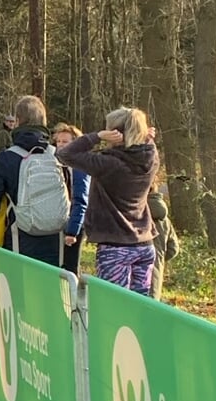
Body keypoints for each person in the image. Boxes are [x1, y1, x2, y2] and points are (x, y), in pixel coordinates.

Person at [56, 107, 159, 295]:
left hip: (115, 248)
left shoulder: (107, 164)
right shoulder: (151, 157)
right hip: (145, 244)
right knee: (139, 310)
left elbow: (65, 154)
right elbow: (146, 144)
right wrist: (146, 137)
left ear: (115, 134)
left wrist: (97, 136)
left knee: (115, 308)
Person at [0, 95, 62, 265]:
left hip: (19, 241)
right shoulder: (58, 156)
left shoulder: (6, 158)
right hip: (57, 242)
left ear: (17, 121)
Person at [52, 123, 91, 275]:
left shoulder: (79, 165)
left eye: (65, 141)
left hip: (74, 223)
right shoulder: (56, 162)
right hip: (57, 220)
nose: (60, 145)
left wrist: (72, 231)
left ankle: (74, 297)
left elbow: (81, 199)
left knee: (70, 267)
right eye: (58, 141)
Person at [148, 183, 180, 300]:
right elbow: (173, 248)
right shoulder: (165, 219)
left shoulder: (136, 212)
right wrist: (159, 259)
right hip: (156, 275)